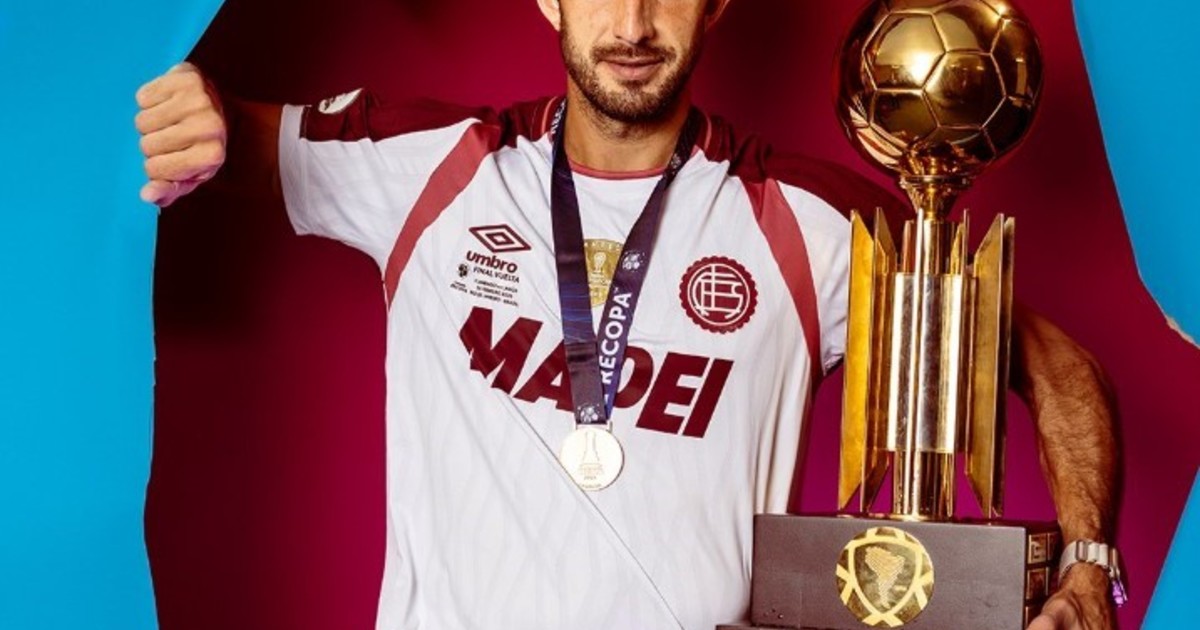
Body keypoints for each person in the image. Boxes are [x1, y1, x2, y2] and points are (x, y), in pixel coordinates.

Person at [134, 1, 1120, 628]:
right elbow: (214, 129)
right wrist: (192, 110)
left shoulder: (816, 224)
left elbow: (1057, 364)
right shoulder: (431, 166)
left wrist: (1085, 564)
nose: (635, 24)